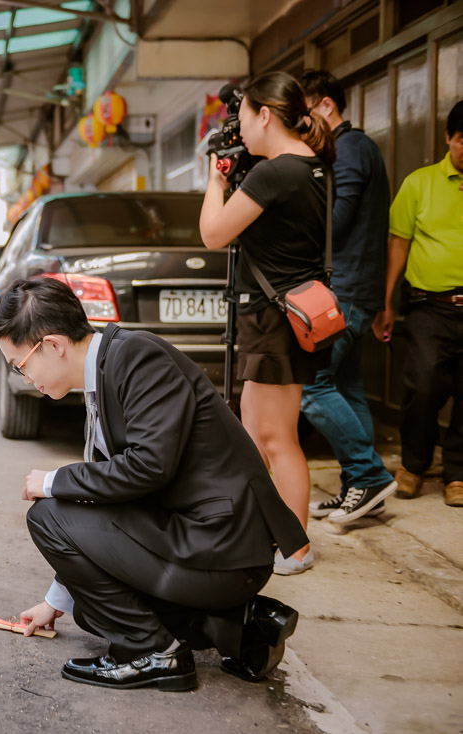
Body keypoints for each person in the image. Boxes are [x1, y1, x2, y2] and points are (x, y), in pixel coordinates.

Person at [0, 276, 307, 692]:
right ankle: (240, 628)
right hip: (200, 542)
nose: (23, 376)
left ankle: (152, 653)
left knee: (48, 515)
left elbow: (148, 467)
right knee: (92, 610)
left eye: (20, 364)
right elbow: (110, 498)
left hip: (223, 547)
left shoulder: (137, 357)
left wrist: (53, 481)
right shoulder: (107, 368)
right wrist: (56, 603)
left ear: (52, 344)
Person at [198, 71, 335, 575]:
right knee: (256, 430)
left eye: (244, 117)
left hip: (275, 319)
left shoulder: (275, 173)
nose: (241, 130)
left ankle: (296, 548)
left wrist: (216, 180)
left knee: (277, 437)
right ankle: (266, 531)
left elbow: (213, 233)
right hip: (280, 314)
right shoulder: (312, 165)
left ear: (263, 114)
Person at [294, 70, 397, 523]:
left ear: (326, 106)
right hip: (355, 288)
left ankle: (367, 474)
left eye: (304, 111)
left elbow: (335, 222)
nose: (301, 123)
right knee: (347, 385)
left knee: (312, 384)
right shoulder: (357, 147)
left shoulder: (352, 147)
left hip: (348, 290)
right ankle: (360, 486)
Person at [375, 99, 463, 506]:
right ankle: (413, 463)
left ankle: (457, 473)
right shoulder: (420, 183)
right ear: (448, 138)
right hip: (430, 305)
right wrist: (387, 300)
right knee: (423, 386)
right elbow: (398, 243)